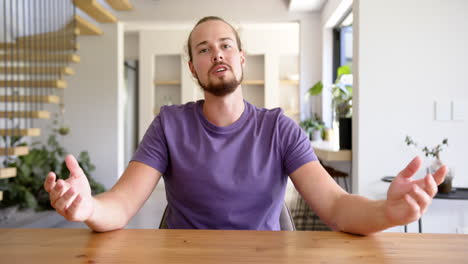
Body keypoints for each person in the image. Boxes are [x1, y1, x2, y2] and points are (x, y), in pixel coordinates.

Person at [44, 16, 447, 234]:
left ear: (241, 59)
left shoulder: (280, 130)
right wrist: (88, 207)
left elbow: (337, 208)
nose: (216, 53)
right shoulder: (168, 125)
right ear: (193, 68)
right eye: (203, 49)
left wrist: (389, 212)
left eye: (225, 45)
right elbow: (122, 205)